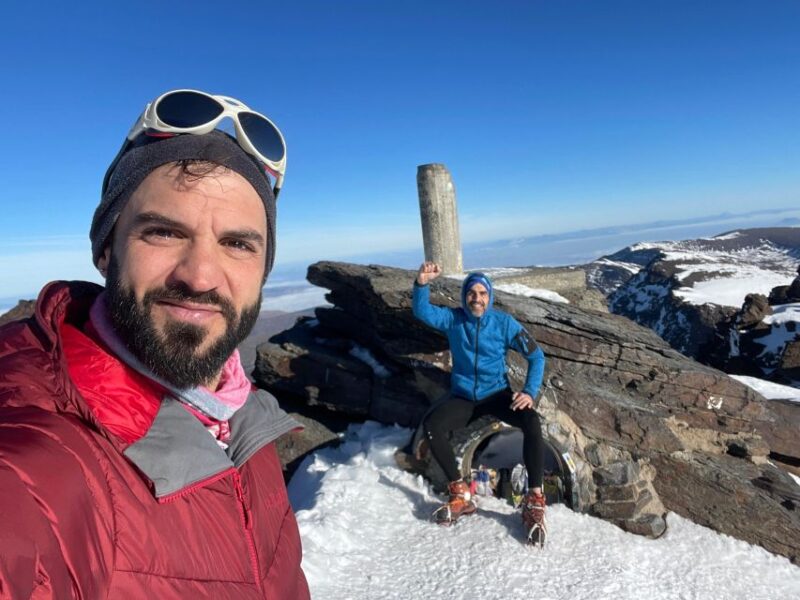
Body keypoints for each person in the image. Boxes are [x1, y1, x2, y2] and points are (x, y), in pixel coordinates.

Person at [0, 89, 309, 598]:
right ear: (106, 250)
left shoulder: (243, 418)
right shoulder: (38, 455)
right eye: (164, 232)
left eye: (237, 243)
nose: (201, 276)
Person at [412, 261, 548, 545]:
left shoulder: (504, 324)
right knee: (433, 425)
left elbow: (536, 356)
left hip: (497, 394)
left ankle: (534, 498)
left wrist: (529, 392)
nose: (477, 298)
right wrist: (422, 284)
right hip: (464, 397)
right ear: (465, 297)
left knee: (531, 421)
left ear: (490, 296)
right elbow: (422, 312)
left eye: (482, 293)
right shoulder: (454, 319)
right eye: (471, 293)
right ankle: (460, 493)